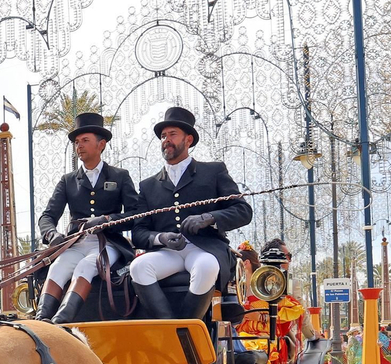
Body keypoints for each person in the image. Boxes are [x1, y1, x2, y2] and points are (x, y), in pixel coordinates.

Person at [130, 106, 253, 320]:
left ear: (188, 140)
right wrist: (161, 238)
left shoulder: (213, 171)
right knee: (139, 266)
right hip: (168, 252)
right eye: (163, 136)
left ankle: (188, 328)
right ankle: (171, 330)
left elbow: (243, 210)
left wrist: (210, 218)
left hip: (204, 249)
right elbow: (139, 232)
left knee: (206, 266)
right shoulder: (148, 185)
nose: (166, 140)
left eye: (172, 134)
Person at [35, 112, 143, 324]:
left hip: (108, 243)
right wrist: (52, 234)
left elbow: (136, 215)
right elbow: (47, 216)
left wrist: (106, 220)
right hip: (76, 243)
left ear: (101, 144)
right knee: (57, 267)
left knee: (87, 265)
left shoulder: (120, 176)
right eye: (77, 142)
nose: (79, 146)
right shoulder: (68, 181)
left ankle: (60, 321)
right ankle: (41, 320)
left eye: (85, 141)